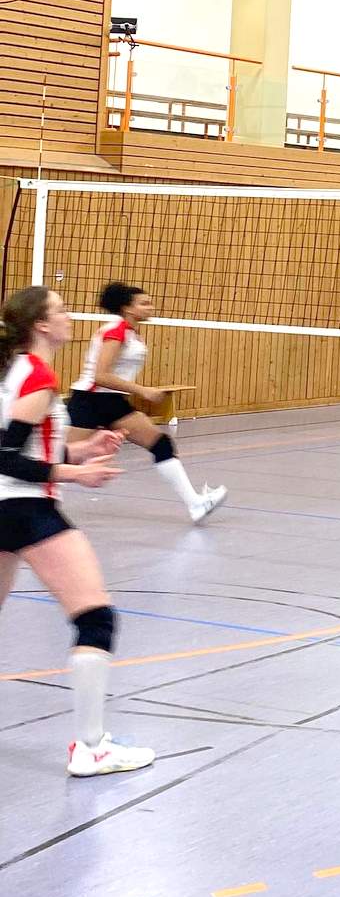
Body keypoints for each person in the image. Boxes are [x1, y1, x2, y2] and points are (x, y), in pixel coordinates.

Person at [0, 287, 155, 776]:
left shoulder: (15, 371)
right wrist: (75, 474)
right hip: (24, 509)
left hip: (6, 506)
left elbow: (29, 446)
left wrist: (85, 450)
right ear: (41, 325)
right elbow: (6, 458)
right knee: (95, 619)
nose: (70, 317)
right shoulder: (38, 377)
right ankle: (92, 748)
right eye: (61, 310)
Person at [66, 283, 227, 523]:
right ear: (127, 308)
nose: (150, 307)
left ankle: (196, 504)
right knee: (62, 458)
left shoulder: (131, 332)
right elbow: (100, 376)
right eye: (144, 303)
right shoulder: (116, 330)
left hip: (112, 401)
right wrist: (142, 391)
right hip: (90, 400)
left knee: (161, 444)